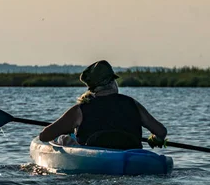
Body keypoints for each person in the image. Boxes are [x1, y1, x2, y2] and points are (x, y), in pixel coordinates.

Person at [39, 60, 167, 150]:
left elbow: (44, 136)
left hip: (96, 162)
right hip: (131, 158)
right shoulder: (132, 104)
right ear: (112, 82)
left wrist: (67, 129)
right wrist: (155, 139)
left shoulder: (80, 110)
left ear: (92, 88)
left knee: (63, 140)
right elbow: (161, 131)